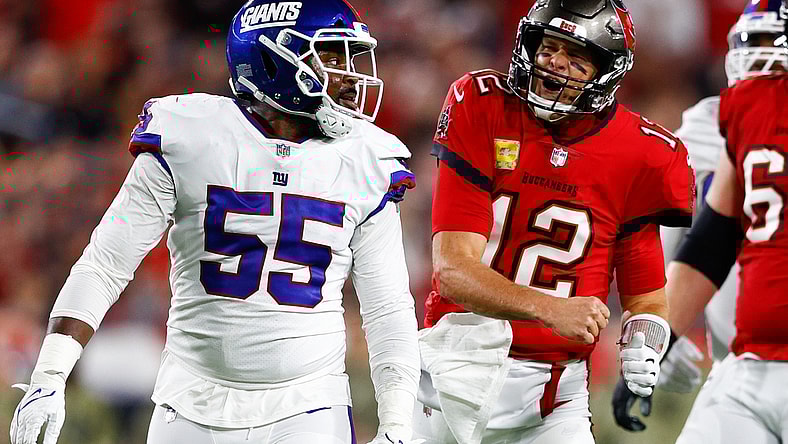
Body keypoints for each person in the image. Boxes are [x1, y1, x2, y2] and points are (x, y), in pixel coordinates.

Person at [9, 1, 422, 443]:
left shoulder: (367, 159)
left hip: (308, 405)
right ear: (272, 57)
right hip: (191, 401)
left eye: (350, 59)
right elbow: (106, 262)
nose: (350, 78)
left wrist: (398, 425)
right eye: (333, 57)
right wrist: (50, 373)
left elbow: (388, 309)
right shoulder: (193, 136)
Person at [412, 1, 695, 443]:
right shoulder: (484, 105)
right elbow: (452, 272)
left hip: (556, 393)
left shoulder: (645, 154)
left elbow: (647, 301)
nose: (554, 65)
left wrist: (646, 344)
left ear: (607, 71)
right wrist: (548, 307)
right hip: (455, 368)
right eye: (549, 48)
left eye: (577, 58)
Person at [612, 0, 788, 431]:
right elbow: (710, 242)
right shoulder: (743, 112)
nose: (760, 60)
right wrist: (655, 337)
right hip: (749, 362)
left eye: (772, 45)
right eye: (754, 44)